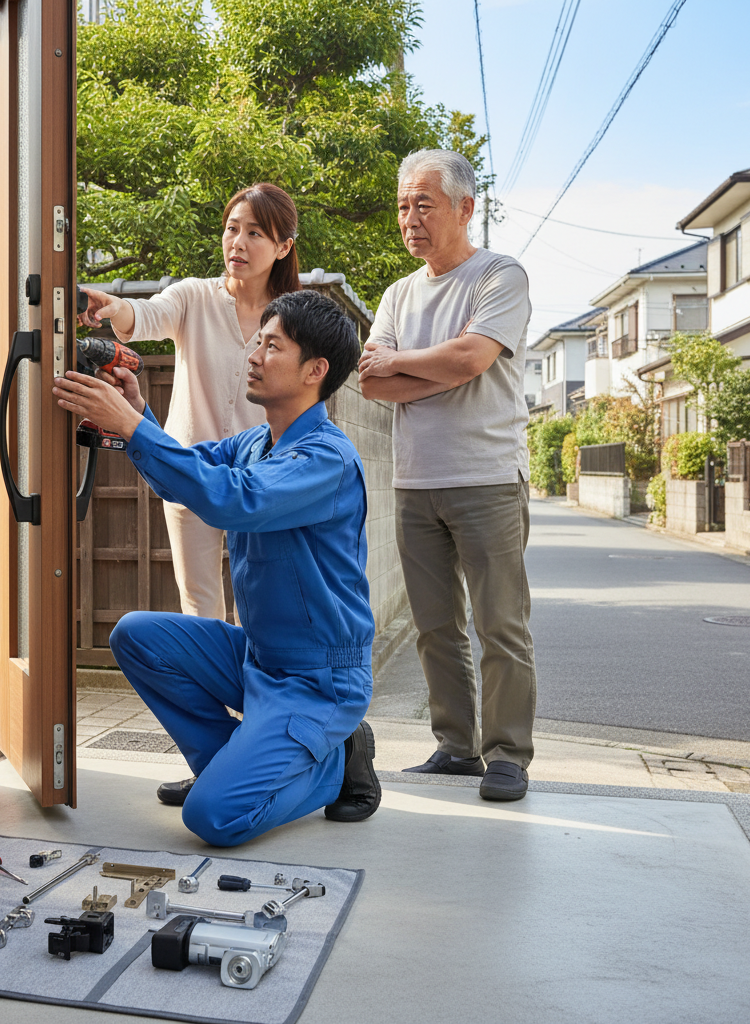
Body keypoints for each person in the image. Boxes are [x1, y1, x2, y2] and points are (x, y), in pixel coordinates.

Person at [54, 290, 380, 846]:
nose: (253, 355)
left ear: (315, 371)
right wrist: (139, 417)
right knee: (137, 635)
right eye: (257, 341)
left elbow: (234, 500)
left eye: (272, 346)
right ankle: (228, 764)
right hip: (258, 656)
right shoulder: (257, 442)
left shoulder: (324, 458)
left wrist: (133, 429)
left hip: (317, 679)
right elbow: (186, 478)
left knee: (214, 819)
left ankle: (334, 763)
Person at [357, 149, 537, 802]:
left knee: (500, 625)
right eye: (403, 205)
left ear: (465, 208)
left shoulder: (500, 276)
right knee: (436, 625)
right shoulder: (398, 294)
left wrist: (410, 367)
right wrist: (417, 370)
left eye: (423, 204)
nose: (409, 218)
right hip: (414, 481)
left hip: (487, 478)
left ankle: (509, 754)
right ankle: (457, 747)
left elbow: (470, 358)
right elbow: (373, 385)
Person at [77, 183, 301, 624]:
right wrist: (114, 305)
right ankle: (212, 694)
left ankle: (251, 694)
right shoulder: (195, 295)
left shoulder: (294, 316)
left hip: (260, 483)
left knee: (258, 605)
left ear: (283, 246)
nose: (238, 242)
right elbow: (144, 315)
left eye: (255, 233)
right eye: (232, 229)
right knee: (200, 606)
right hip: (190, 471)